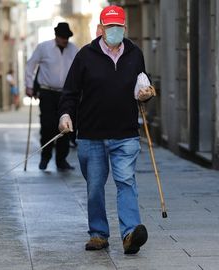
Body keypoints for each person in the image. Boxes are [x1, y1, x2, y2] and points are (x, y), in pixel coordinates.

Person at [58, 5, 155, 254]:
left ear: (125, 28)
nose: (114, 31)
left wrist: (146, 94)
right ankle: (99, 234)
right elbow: (70, 91)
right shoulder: (85, 56)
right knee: (94, 188)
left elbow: (144, 85)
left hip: (125, 133)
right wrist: (66, 115)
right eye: (109, 26)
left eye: (118, 27)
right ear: (100, 28)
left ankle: (130, 233)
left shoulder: (135, 54)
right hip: (91, 134)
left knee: (126, 182)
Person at [25, 22, 78, 170]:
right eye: (62, 37)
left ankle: (61, 160)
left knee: (65, 127)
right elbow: (30, 65)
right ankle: (45, 156)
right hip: (47, 92)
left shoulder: (74, 49)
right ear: (56, 36)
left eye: (66, 37)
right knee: (48, 126)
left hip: (66, 94)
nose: (64, 40)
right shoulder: (44, 47)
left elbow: (80, 69)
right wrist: (29, 85)